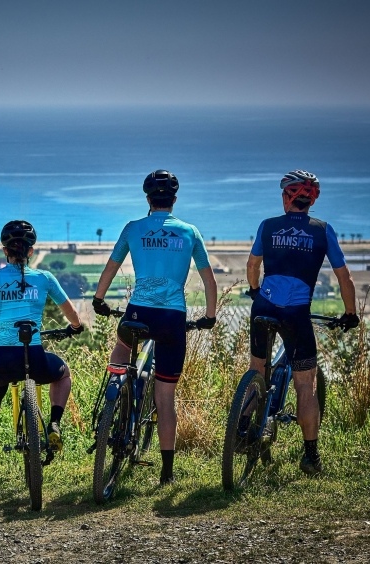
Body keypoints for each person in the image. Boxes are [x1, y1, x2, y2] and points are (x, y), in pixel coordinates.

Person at [93, 170, 218, 485]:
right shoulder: (189, 231)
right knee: (165, 397)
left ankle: (114, 391)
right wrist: (210, 315)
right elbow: (208, 279)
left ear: (148, 199)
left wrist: (98, 299)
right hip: (171, 319)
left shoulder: (134, 228)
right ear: (174, 200)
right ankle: (165, 473)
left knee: (122, 348)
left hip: (138, 314)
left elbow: (112, 266)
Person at [0, 220, 84, 498]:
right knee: (62, 373)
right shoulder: (45, 279)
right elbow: (72, 313)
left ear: (5, 251)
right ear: (31, 251)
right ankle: (53, 422)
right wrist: (76, 327)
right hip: (33, 357)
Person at [246, 170, 358, 475]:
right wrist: (350, 313)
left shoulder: (267, 226)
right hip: (296, 313)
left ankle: (244, 428)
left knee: (257, 370)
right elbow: (344, 276)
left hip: (263, 307)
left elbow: (253, 264)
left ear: (286, 198)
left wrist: (255, 290)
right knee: (305, 385)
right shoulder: (322, 230)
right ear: (312, 201)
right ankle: (310, 457)